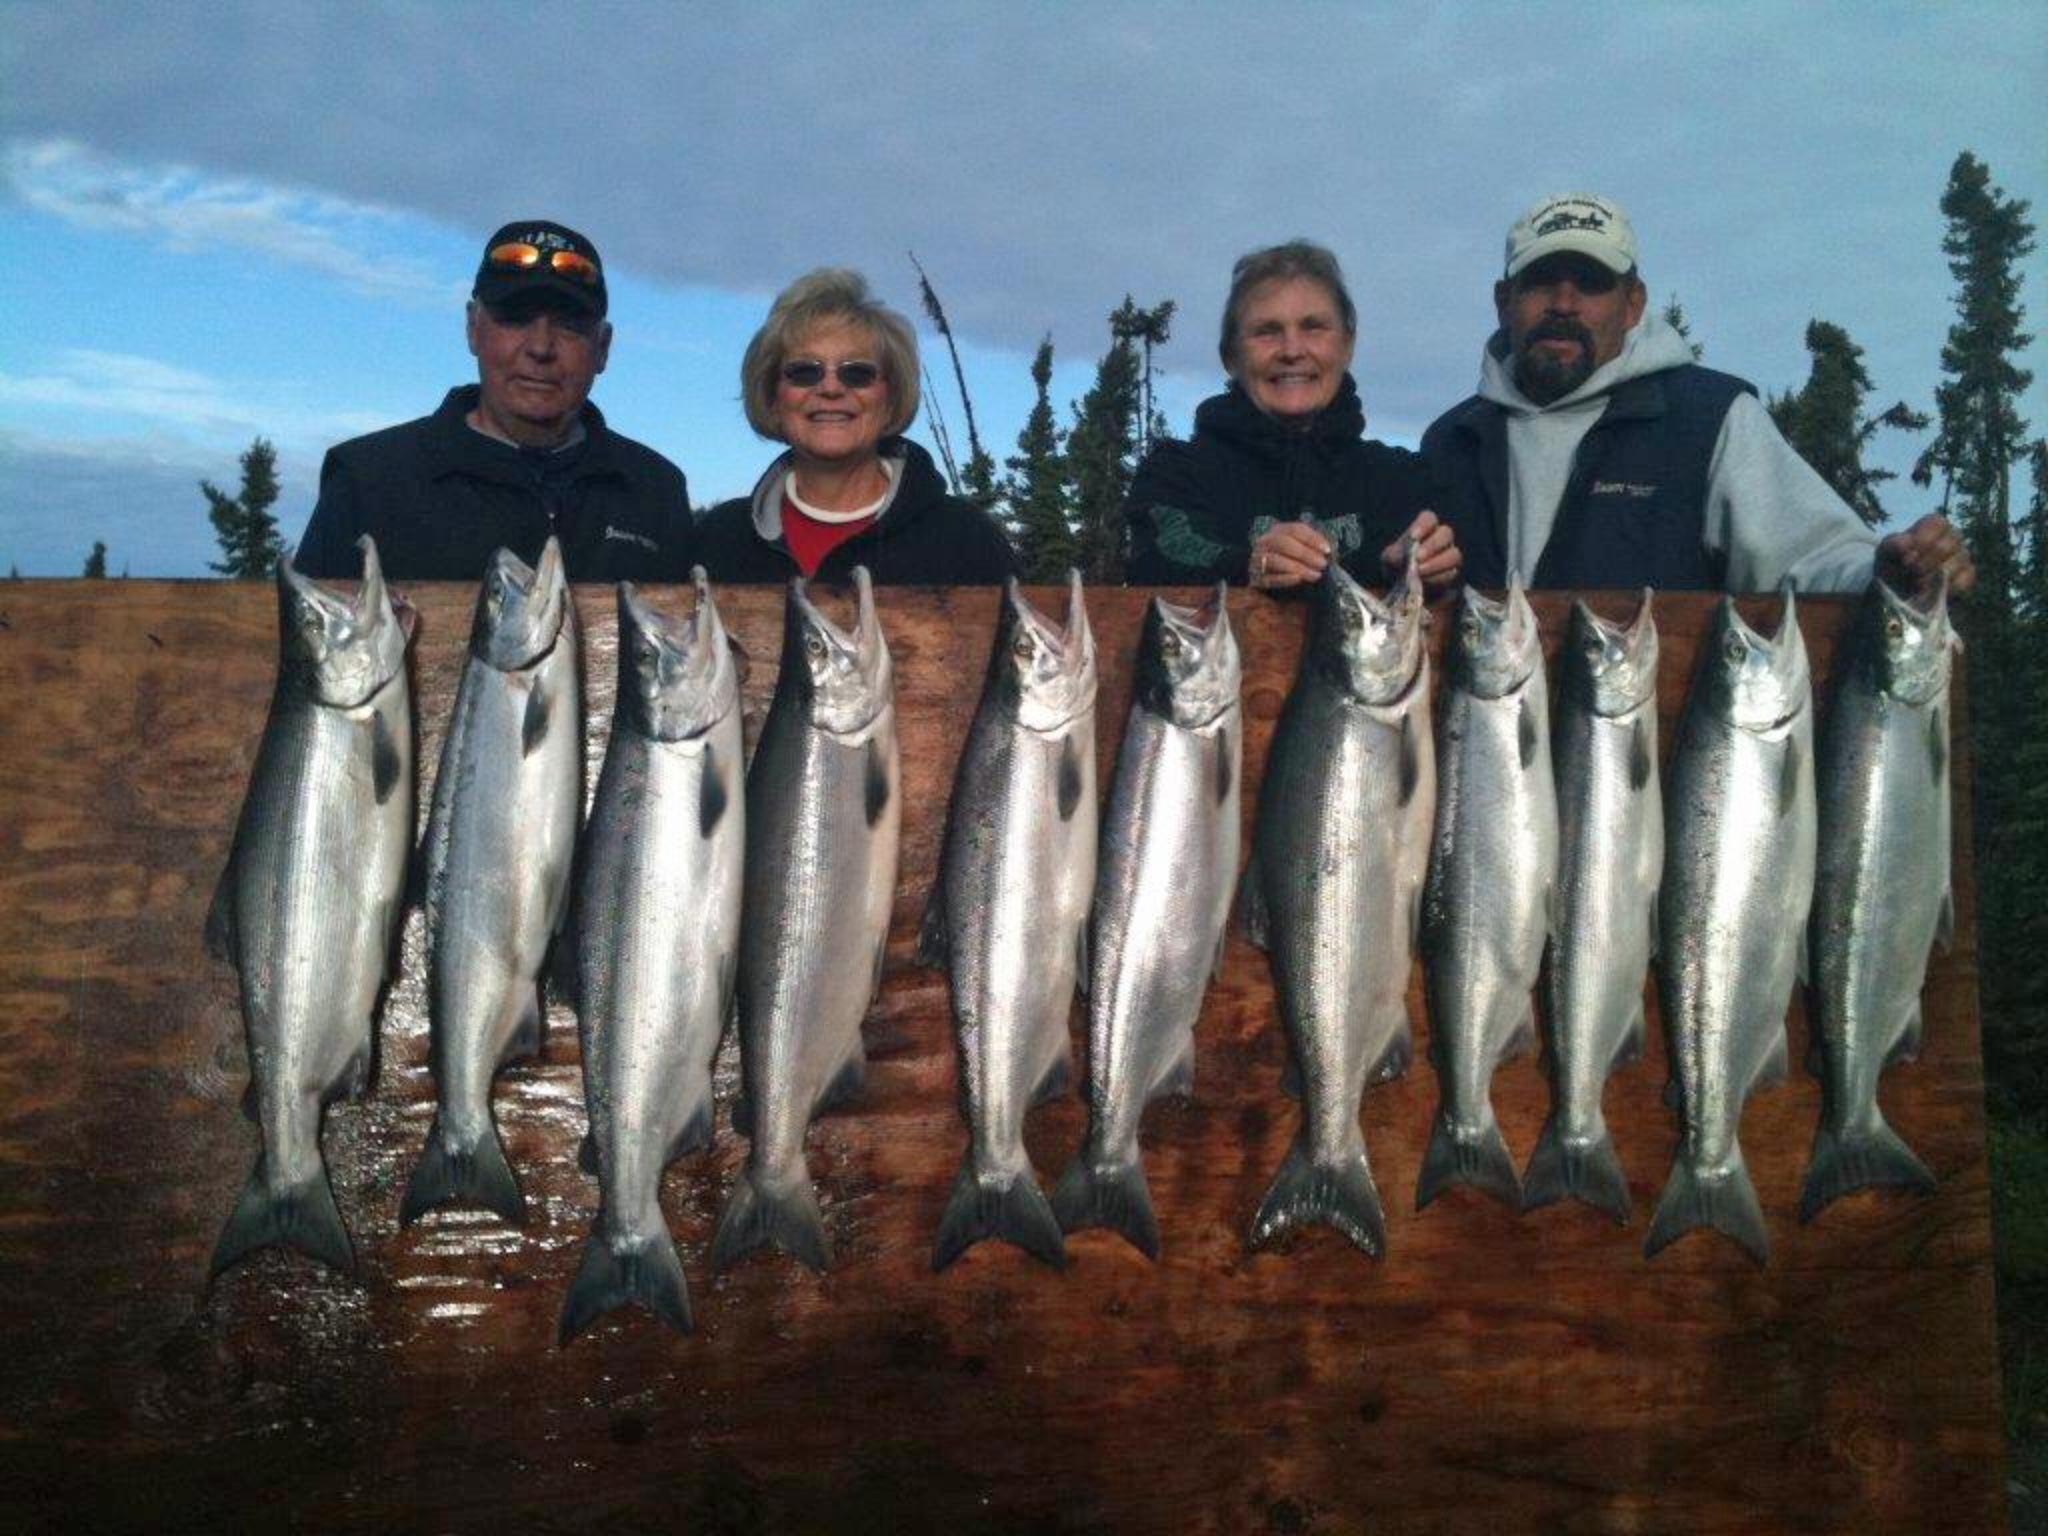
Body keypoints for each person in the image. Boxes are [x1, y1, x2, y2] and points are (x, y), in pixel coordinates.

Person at [1422, 192, 1973, 595]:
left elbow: (1813, 556)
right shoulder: (1453, 441)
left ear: (1633, 304)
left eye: (1591, 284)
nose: (1565, 304)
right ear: (1504, 300)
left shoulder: (1707, 419)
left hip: (1649, 749)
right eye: (1542, 282)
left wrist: (1892, 569)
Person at [295, 220, 694, 582]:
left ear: (602, 348)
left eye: (569, 325)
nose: (540, 347)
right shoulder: (367, 480)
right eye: (516, 318)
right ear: (473, 327)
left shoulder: (657, 490)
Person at [1123, 240, 1460, 593]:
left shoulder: (1402, 481)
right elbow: (1158, 556)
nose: (1292, 350)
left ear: (1347, 345)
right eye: (1267, 331)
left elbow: (1452, 563)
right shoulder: (1175, 475)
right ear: (1230, 356)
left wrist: (1414, 567)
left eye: (1313, 327)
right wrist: (1246, 566)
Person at [694, 269, 1016, 584]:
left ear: (890, 397)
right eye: (805, 371)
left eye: (857, 373)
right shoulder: (719, 539)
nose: (831, 389)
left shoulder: (966, 540)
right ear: (772, 396)